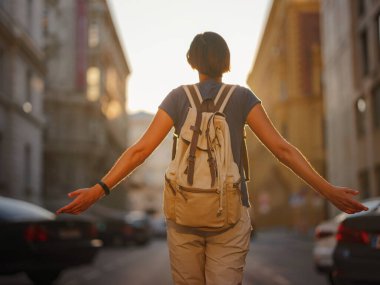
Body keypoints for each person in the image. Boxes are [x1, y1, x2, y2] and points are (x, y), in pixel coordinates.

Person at [57, 31, 368, 285]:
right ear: (226, 62)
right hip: (231, 214)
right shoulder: (242, 97)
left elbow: (140, 150)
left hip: (183, 215)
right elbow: (283, 149)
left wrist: (98, 189)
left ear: (192, 61)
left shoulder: (177, 97)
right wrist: (327, 190)